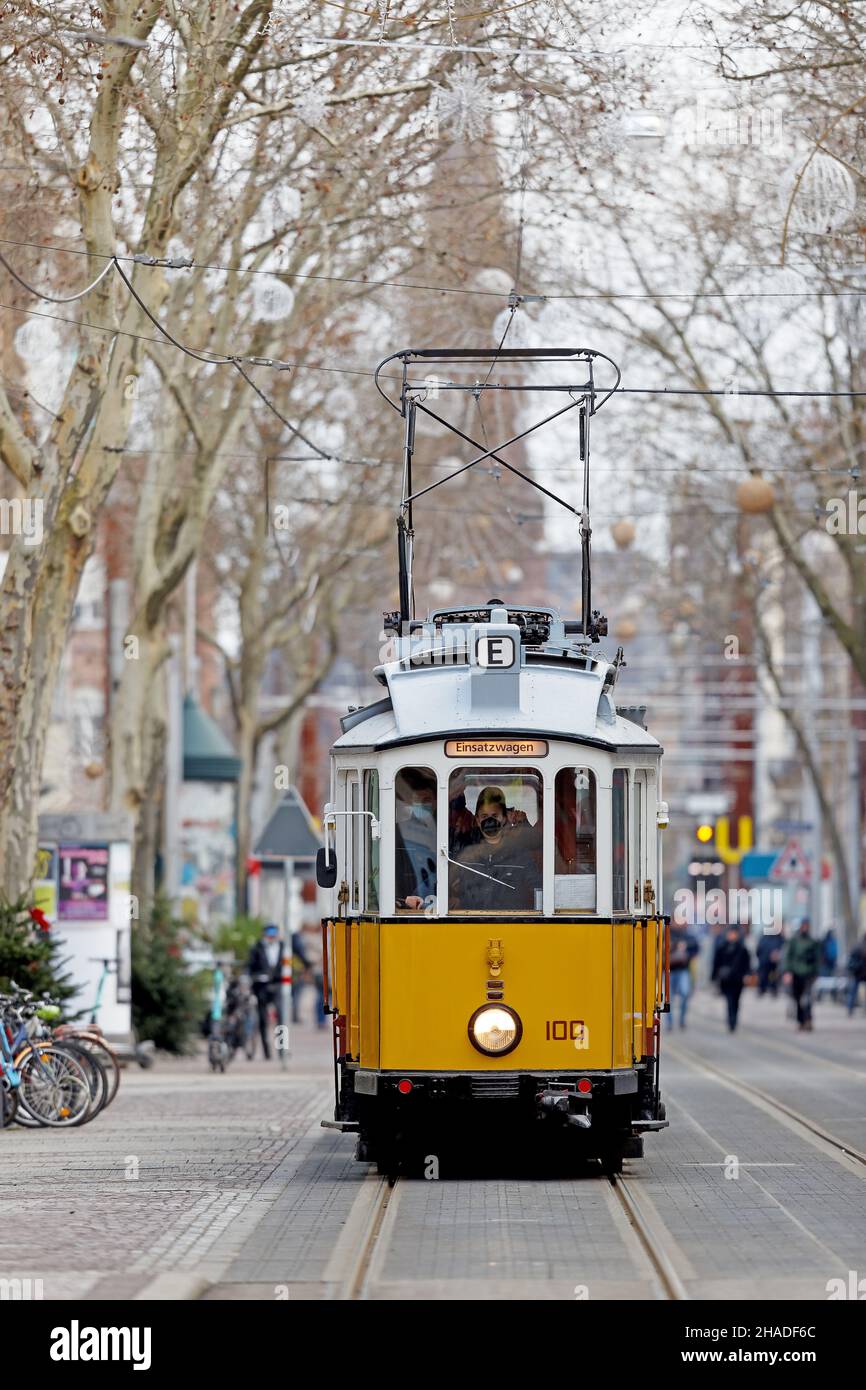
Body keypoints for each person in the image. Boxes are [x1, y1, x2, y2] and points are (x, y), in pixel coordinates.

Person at [450, 786, 541, 911]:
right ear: (477, 820)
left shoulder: (519, 855)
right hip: (471, 925)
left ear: (504, 818)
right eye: (484, 816)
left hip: (512, 925)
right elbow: (445, 886)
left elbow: (538, 889)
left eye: (494, 815)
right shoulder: (466, 856)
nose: (490, 821)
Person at [395, 769, 438, 911]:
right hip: (413, 910)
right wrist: (402, 899)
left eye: (426, 800)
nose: (422, 805)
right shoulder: (399, 833)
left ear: (436, 801)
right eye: (417, 801)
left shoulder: (448, 829)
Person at [247, 922, 284, 1059]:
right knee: (263, 1019)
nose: (271, 937)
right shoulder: (257, 948)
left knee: (281, 1016)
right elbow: (250, 965)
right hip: (261, 987)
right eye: (269, 934)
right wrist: (251, 977)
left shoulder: (283, 947)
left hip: (278, 986)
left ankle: (282, 1050)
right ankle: (266, 1051)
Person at [782, 918, 821, 1031]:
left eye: (806, 925)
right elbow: (788, 957)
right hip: (796, 973)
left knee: (807, 998)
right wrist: (787, 972)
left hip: (809, 973)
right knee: (797, 998)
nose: (805, 927)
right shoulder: (793, 941)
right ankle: (800, 1021)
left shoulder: (813, 942)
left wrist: (816, 972)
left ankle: (808, 1019)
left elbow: (817, 958)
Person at [711, 925, 752, 1032]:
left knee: (736, 1001)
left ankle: (734, 1019)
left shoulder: (742, 949)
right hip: (726, 979)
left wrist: (747, 975)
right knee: (729, 1000)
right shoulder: (722, 947)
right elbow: (716, 963)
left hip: (738, 979)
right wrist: (714, 977)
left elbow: (747, 964)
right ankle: (731, 1020)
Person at [667, 922, 699, 1029]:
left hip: (683, 969)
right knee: (669, 998)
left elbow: (696, 949)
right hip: (668, 970)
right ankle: (669, 1022)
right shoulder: (665, 933)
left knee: (685, 993)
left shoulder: (688, 936)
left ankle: (681, 1019)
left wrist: (687, 952)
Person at [756, 928, 784, 998]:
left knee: (773, 976)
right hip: (764, 961)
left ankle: (772, 988)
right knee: (763, 975)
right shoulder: (764, 938)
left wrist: (777, 954)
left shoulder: (779, 938)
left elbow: (782, 948)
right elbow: (758, 949)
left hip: (773, 962)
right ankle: (762, 989)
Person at [846, 935, 866, 1016]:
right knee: (853, 992)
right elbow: (852, 961)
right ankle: (850, 1009)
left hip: (858, 973)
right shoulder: (858, 948)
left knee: (852, 992)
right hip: (858, 973)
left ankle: (850, 1009)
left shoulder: (857, 947)